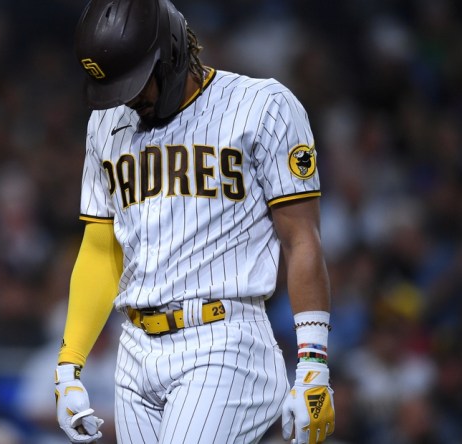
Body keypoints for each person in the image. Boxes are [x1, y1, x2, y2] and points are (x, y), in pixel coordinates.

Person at [53, 0, 336, 443]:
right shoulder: (104, 126)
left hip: (223, 340)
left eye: (135, 83)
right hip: (135, 350)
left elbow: (302, 239)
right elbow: (100, 247)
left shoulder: (261, 105)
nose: (127, 98)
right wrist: (69, 363)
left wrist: (313, 363)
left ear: (171, 55)